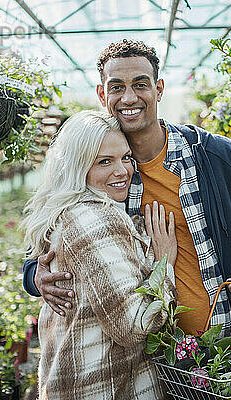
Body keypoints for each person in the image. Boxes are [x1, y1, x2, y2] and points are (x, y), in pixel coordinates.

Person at [23, 39, 231, 335]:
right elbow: (52, 226)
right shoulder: (103, 175)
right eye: (116, 87)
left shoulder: (215, 155)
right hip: (160, 361)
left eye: (140, 85)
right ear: (102, 94)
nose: (128, 98)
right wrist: (34, 274)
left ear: (158, 89)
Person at [21, 110, 176, 399]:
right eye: (104, 161)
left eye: (126, 158)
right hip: (105, 388)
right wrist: (164, 263)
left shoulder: (64, 213)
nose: (122, 171)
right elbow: (133, 326)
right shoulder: (96, 219)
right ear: (79, 166)